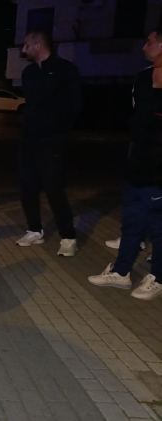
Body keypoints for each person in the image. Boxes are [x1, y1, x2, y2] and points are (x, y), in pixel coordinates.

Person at [87, 29, 162, 301]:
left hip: (159, 169)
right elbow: (138, 119)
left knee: (158, 227)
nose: (144, 47)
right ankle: (121, 273)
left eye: (150, 42)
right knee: (131, 223)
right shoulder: (143, 77)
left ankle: (158, 278)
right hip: (139, 162)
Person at [14, 29, 82, 256]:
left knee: (54, 188)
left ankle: (68, 236)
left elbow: (75, 105)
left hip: (52, 141)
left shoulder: (65, 70)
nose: (23, 49)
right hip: (28, 139)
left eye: (26, 45)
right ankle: (35, 230)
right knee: (27, 187)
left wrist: (59, 131)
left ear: (38, 45)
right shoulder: (29, 72)